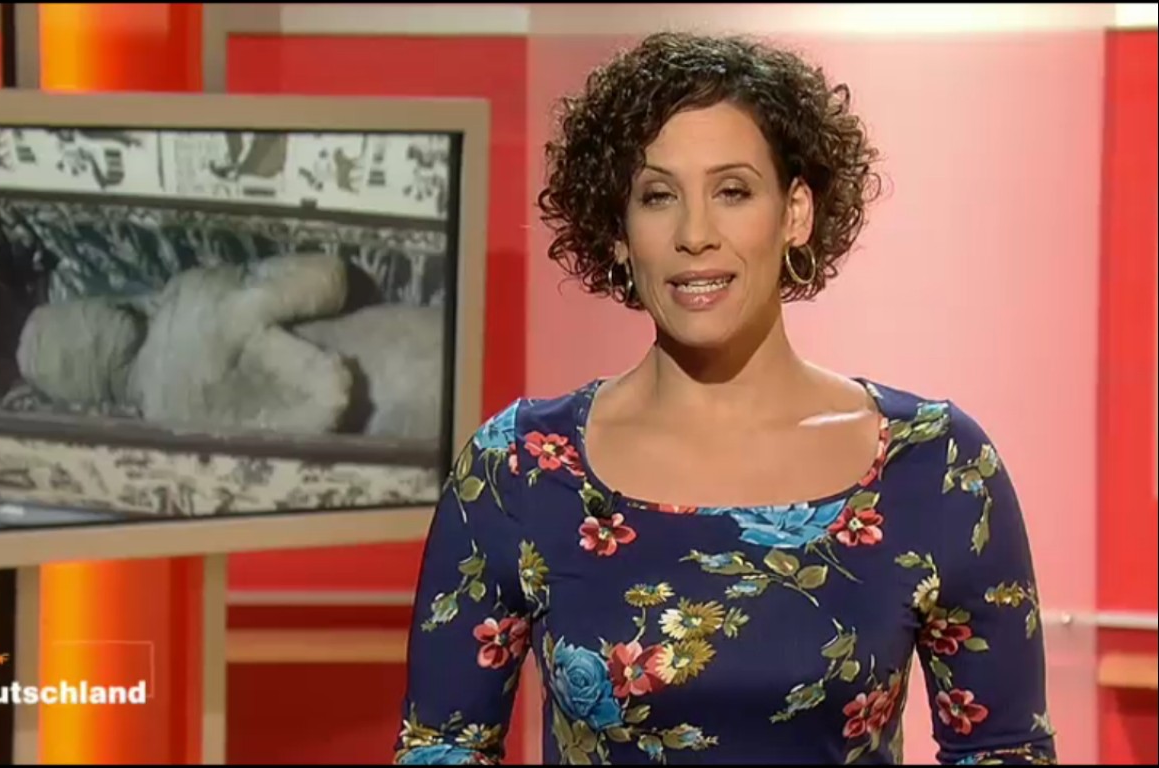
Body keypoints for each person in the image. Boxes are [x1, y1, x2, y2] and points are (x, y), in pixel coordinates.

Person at [392, 31, 1057, 766]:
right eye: (658, 196)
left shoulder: (937, 467)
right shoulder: (516, 470)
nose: (695, 234)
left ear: (795, 212)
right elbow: (442, 748)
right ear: (620, 232)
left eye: (732, 191)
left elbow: (1005, 753)